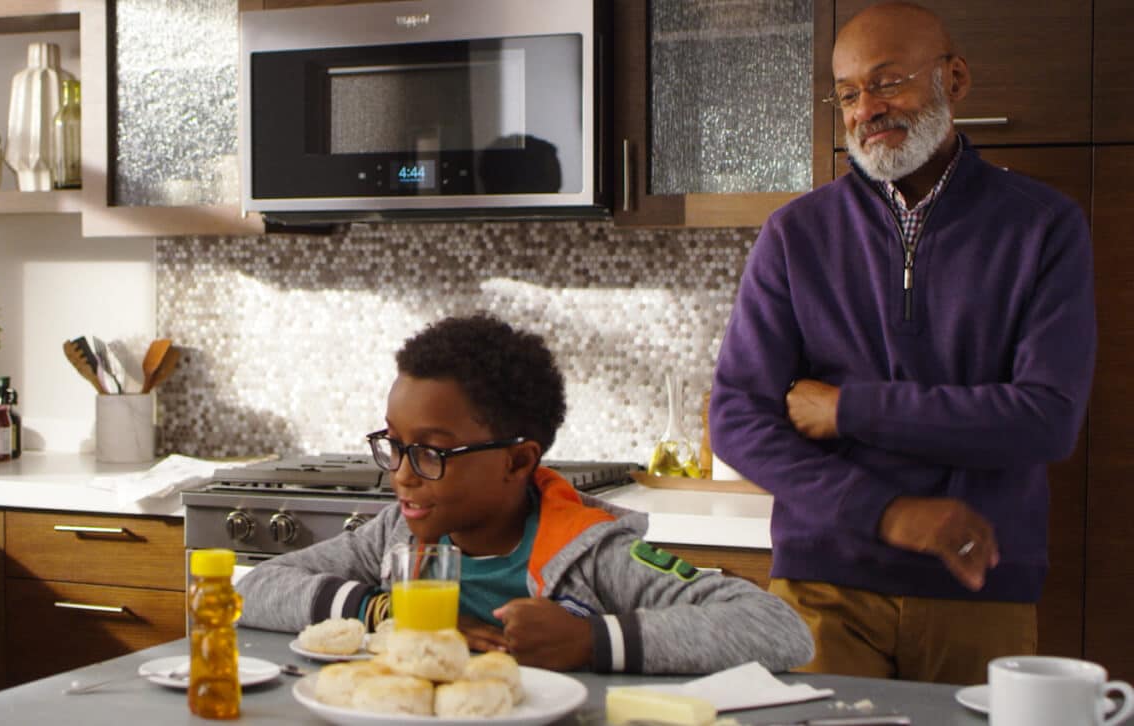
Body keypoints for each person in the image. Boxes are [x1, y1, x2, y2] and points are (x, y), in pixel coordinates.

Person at [709, 1, 1095, 686]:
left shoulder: (1044, 226)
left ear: (955, 78)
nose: (867, 109)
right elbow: (737, 419)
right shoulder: (794, 234)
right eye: (848, 93)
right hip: (823, 584)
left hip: (979, 582)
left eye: (888, 82)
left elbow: (1047, 419)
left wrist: (849, 410)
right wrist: (886, 512)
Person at [238, 314, 812, 673]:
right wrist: (386, 612)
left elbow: (776, 629)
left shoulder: (591, 551)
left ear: (517, 461)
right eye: (394, 445)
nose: (402, 475)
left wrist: (590, 640)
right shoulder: (394, 538)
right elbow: (256, 589)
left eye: (432, 452)